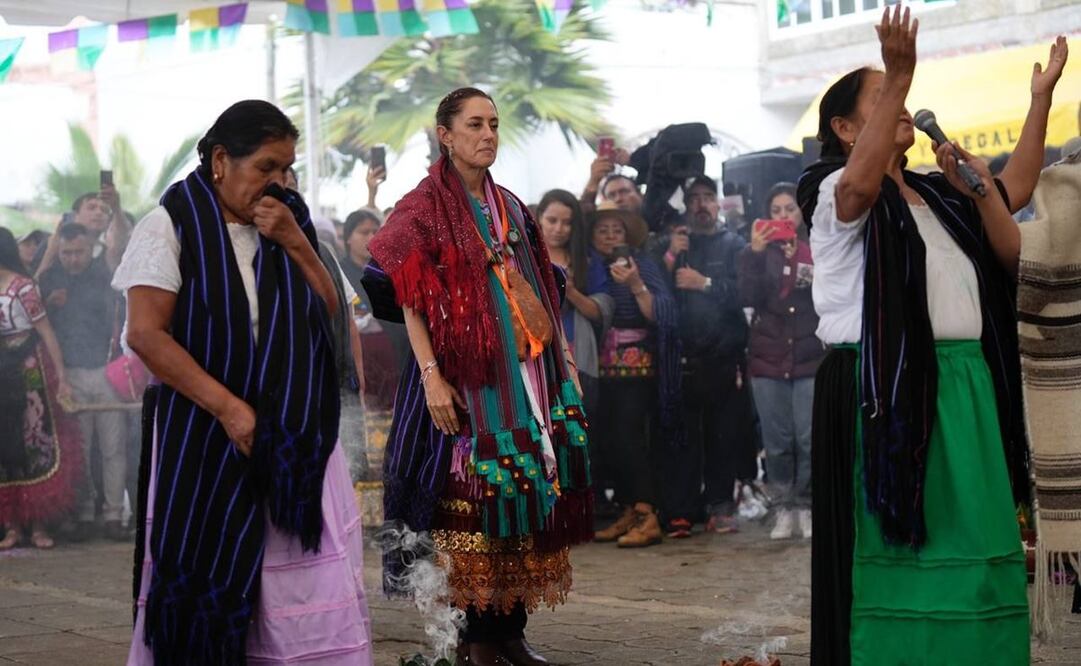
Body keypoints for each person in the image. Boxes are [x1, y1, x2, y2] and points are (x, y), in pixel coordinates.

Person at [801, 9, 1063, 665]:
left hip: (965, 389)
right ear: (843, 127)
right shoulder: (829, 185)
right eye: (886, 98)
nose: (904, 109)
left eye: (905, 98)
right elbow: (858, 191)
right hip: (883, 391)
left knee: (976, 548)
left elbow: (1012, 190)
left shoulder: (935, 193)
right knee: (895, 555)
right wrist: (896, 69)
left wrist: (1039, 103)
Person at [115, 100, 371, 665]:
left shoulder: (290, 220)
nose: (277, 182)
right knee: (209, 575)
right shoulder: (171, 224)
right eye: (266, 168)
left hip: (290, 441)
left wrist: (296, 243)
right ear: (221, 160)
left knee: (295, 588)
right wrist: (231, 409)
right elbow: (147, 335)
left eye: (287, 169)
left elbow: (331, 313)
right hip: (204, 434)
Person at [363, 87, 591, 666]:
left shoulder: (512, 206)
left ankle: (508, 632)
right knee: (470, 503)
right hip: (459, 378)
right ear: (445, 134)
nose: (487, 135)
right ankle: (470, 642)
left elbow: (541, 288)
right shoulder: (420, 207)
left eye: (493, 124)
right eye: (474, 124)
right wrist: (433, 377)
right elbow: (407, 297)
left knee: (523, 494)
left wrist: (562, 365)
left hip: (523, 379)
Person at [657, 176, 756, 538]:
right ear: (686, 206)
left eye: (707, 197)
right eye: (694, 198)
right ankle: (682, 510)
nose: (701, 204)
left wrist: (706, 284)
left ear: (718, 203)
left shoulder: (735, 245)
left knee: (722, 435)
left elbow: (747, 293)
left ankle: (720, 506)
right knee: (682, 439)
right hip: (682, 357)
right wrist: (670, 256)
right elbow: (658, 297)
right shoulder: (677, 245)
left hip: (723, 356)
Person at [590, 201, 680, 548]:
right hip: (601, 364)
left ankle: (648, 514)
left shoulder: (642, 264)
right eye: (603, 230)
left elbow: (663, 312)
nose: (611, 236)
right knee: (610, 439)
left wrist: (636, 284)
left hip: (638, 366)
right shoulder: (592, 267)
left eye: (618, 230)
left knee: (631, 437)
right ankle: (628, 509)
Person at [738, 183, 824, 541]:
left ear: (801, 212)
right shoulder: (752, 253)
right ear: (766, 216)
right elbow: (748, 297)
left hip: (808, 356)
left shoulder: (817, 248)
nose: (783, 216)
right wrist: (757, 255)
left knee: (807, 438)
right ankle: (783, 508)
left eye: (790, 208)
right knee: (776, 441)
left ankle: (805, 505)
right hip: (767, 358)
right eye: (776, 210)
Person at [38, 223, 127, 542]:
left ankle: (114, 514)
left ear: (91, 248)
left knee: (113, 447)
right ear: (57, 250)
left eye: (78, 252)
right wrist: (49, 304)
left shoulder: (105, 273)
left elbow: (117, 252)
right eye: (66, 253)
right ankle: (87, 512)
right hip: (70, 374)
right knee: (82, 448)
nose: (72, 259)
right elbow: (33, 317)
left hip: (107, 371)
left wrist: (115, 212)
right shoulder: (49, 279)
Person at [0, 228, 82, 550]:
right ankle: (12, 528)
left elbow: (46, 332)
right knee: (6, 445)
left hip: (31, 369)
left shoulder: (24, 287)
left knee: (37, 441)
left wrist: (61, 375)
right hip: (1, 371)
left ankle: (38, 526)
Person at [537, 188, 615, 509]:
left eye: (566, 223)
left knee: (577, 436)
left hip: (578, 362)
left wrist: (567, 286)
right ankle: (547, 509)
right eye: (552, 220)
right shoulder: (522, 257)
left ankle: (579, 510)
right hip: (537, 361)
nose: (558, 229)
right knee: (543, 435)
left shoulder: (586, 261)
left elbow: (602, 310)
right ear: (537, 220)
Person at [36, 187, 131, 279]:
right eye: (91, 208)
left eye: (104, 210)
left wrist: (116, 208)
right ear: (76, 214)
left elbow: (123, 236)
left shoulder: (109, 253)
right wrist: (50, 254)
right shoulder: (51, 245)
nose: (99, 213)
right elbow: (33, 285)